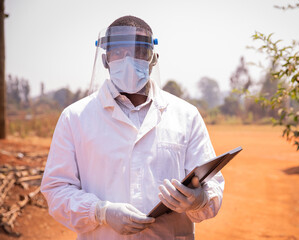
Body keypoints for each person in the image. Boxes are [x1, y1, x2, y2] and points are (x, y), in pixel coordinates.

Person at [40, 15, 224, 240]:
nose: (128, 59)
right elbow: (56, 190)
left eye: (138, 51)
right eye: (118, 52)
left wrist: (199, 199)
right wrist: (101, 212)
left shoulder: (185, 115)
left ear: (152, 58)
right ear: (105, 59)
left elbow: (212, 185)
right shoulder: (75, 117)